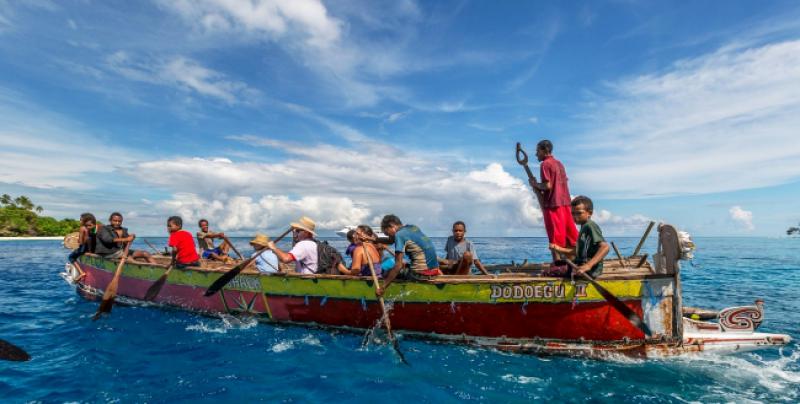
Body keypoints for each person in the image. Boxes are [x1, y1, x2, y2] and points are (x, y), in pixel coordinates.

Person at [528, 140, 578, 260]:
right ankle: (573, 261)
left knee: (555, 237)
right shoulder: (559, 164)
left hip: (553, 205)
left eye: (537, 151)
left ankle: (557, 265)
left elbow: (548, 185)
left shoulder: (545, 164)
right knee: (569, 236)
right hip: (566, 204)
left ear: (545, 151)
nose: (536, 154)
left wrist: (535, 184)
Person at [376, 214, 441, 297]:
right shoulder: (413, 228)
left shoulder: (399, 235)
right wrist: (372, 239)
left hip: (420, 274)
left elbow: (398, 265)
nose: (389, 236)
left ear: (392, 226)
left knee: (388, 272)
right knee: (405, 266)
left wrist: (383, 287)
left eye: (387, 233)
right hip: (434, 270)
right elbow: (391, 241)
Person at [549, 196, 609, 277]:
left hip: (589, 270)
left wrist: (588, 265)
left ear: (589, 213)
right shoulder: (584, 227)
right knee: (555, 264)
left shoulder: (590, 226)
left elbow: (605, 247)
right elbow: (578, 251)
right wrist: (558, 249)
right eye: (573, 213)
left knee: (552, 271)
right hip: (580, 264)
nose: (575, 216)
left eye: (579, 213)